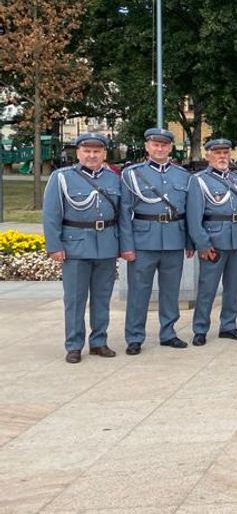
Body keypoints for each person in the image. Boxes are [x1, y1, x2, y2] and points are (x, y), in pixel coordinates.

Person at [43, 132, 121, 363]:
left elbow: (123, 215)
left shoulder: (114, 178)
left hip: (107, 244)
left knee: (102, 297)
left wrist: (123, 245)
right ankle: (74, 345)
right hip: (75, 245)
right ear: (78, 153)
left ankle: (99, 341)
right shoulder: (62, 177)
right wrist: (54, 246)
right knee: (75, 299)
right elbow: (51, 215)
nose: (92, 155)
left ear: (104, 153)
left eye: (97, 151)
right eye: (87, 151)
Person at [119, 127, 192, 354]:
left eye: (164, 145)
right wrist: (127, 245)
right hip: (143, 240)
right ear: (147, 147)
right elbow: (124, 212)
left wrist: (189, 241)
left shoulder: (182, 175)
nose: (159, 148)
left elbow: (189, 211)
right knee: (139, 291)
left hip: (173, 238)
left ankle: (168, 332)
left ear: (171, 148)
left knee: (170, 291)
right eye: (155, 144)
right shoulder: (132, 174)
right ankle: (134, 337)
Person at [186, 138, 237, 346]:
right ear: (208, 156)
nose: (222, 157)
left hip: (236, 239)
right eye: (217, 153)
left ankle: (229, 325)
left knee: (233, 287)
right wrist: (203, 244)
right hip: (214, 240)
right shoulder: (199, 181)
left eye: (225, 152)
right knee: (208, 288)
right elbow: (194, 216)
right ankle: (200, 328)